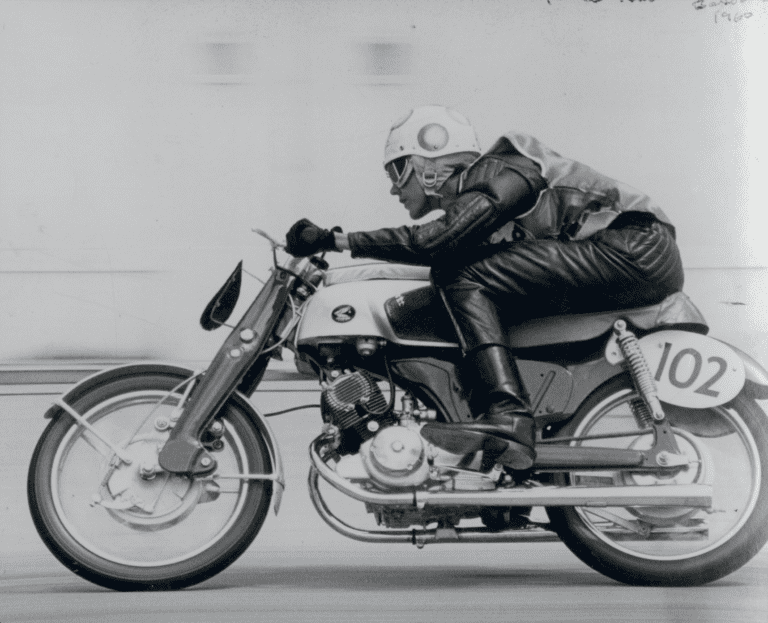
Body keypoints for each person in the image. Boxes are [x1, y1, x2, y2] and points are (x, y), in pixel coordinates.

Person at [285, 105, 684, 470]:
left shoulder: (505, 169)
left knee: (461, 275)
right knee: (454, 276)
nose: (393, 189)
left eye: (396, 172)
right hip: (617, 257)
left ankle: (508, 414)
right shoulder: (475, 201)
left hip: (634, 246)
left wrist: (334, 240)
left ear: (427, 162)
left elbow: (432, 241)